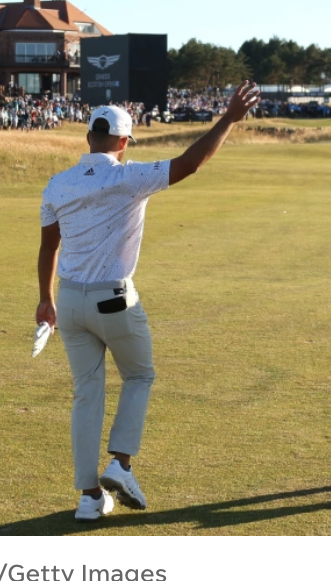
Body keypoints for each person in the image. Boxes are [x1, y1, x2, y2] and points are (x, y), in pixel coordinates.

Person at [37, 82, 260, 521]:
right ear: (123, 142)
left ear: (88, 138)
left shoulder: (57, 184)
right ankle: (120, 464)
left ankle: (88, 497)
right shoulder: (128, 175)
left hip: (69, 301)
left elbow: (49, 247)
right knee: (139, 376)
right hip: (114, 301)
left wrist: (45, 301)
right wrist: (229, 118)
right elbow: (189, 163)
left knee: (86, 396)